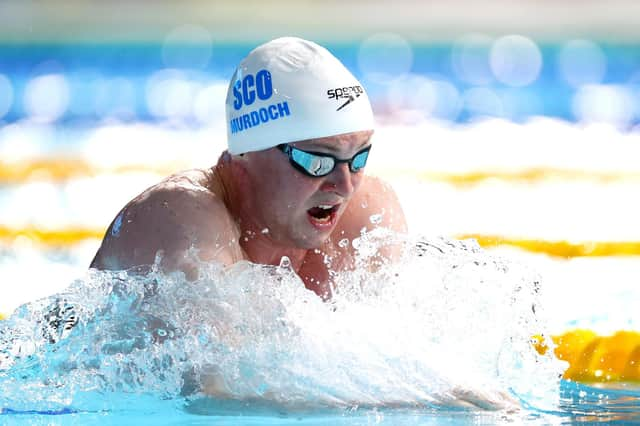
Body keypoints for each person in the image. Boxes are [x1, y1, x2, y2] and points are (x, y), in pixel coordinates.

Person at [90, 37, 407, 300]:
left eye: (359, 159)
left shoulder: (366, 218)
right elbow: (210, 377)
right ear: (248, 153)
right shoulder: (180, 226)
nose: (345, 185)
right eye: (317, 161)